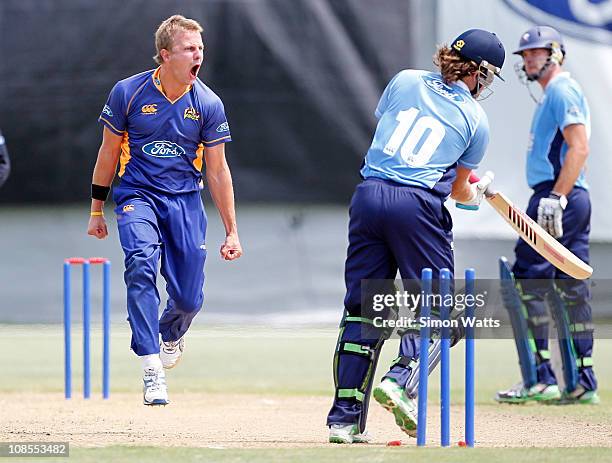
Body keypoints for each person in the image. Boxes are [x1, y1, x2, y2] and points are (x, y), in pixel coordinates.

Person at [326, 29, 505, 443]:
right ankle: (401, 378)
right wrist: (477, 192)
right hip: (416, 206)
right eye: (488, 75)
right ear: (478, 72)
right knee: (445, 311)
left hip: (368, 196)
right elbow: (459, 190)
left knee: (363, 311)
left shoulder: (404, 79)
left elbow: (395, 135)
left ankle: (344, 419)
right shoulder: (475, 120)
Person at [87, 15, 242, 406]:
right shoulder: (128, 92)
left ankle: (171, 333)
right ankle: (150, 364)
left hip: (185, 200)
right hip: (137, 194)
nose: (198, 56)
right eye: (190, 49)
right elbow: (108, 152)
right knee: (140, 263)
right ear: (165, 54)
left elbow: (218, 170)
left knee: (190, 299)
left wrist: (232, 231)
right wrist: (95, 210)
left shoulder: (207, 102)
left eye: (200, 49)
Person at [495, 26, 598, 405]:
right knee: (571, 287)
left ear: (555, 52)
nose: (528, 59)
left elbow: (580, 147)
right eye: (525, 55)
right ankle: (582, 380)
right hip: (567, 196)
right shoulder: (552, 94)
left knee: (528, 282)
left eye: (536, 52)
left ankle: (542, 378)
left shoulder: (561, 90)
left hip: (558, 195)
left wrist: (556, 196)